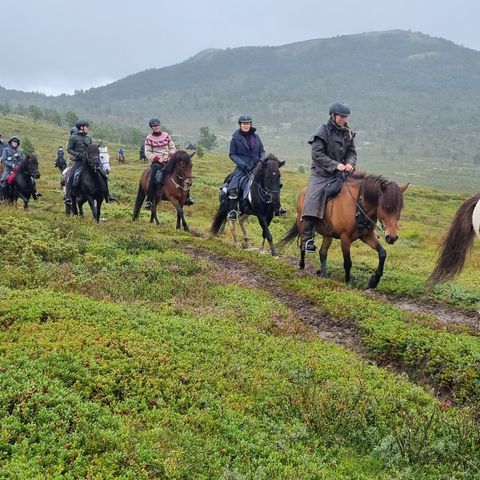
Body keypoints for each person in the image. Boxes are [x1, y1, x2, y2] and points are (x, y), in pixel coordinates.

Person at [301, 101, 357, 252]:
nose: (344, 119)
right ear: (333, 115)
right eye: (341, 116)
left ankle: (363, 228)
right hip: (322, 174)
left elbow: (352, 153)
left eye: (346, 117)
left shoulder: (348, 132)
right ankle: (307, 239)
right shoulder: (322, 130)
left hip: (341, 174)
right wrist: (335, 165)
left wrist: (350, 163)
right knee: (313, 197)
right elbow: (317, 154)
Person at [143, 117, 176, 210]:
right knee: (153, 176)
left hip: (168, 160)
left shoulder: (166, 135)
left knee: (182, 172)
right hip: (157, 162)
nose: (156, 127)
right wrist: (157, 158)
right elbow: (148, 152)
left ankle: (187, 197)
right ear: (151, 127)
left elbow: (172, 147)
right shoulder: (149, 138)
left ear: (159, 126)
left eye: (157, 125)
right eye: (154, 126)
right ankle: (149, 200)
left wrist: (170, 156)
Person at [65, 119, 93, 205]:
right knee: (71, 175)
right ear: (82, 127)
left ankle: (107, 195)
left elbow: (90, 148)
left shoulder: (88, 138)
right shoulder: (73, 137)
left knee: (101, 172)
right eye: (87, 127)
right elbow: (69, 149)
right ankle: (68, 197)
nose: (88, 129)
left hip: (88, 161)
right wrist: (77, 155)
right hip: (78, 161)